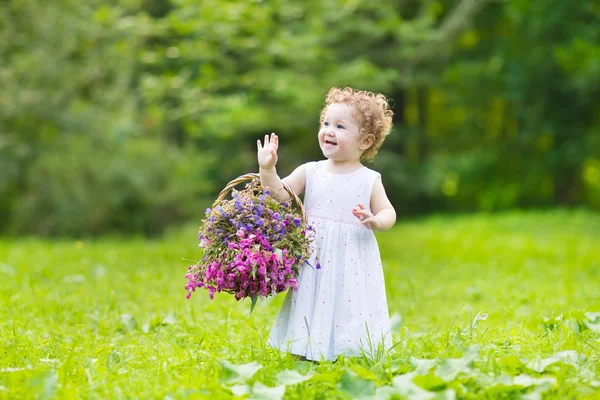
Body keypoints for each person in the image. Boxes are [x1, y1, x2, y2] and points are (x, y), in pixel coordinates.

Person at [257, 87, 396, 362]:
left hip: (352, 257)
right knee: (311, 297)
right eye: (326, 123)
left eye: (340, 126)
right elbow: (279, 195)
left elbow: (388, 211)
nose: (329, 130)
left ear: (365, 141)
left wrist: (376, 220)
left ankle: (348, 349)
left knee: (349, 301)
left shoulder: (369, 179)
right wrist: (267, 169)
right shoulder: (311, 170)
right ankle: (305, 347)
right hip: (315, 255)